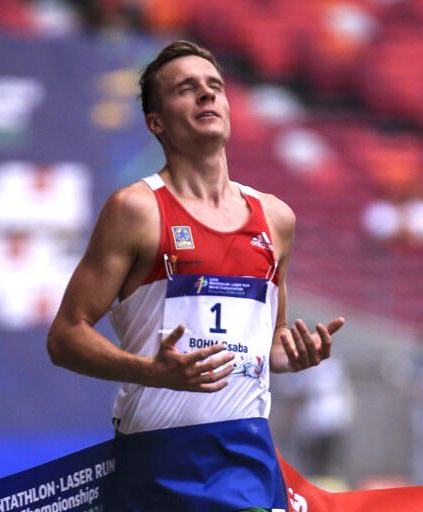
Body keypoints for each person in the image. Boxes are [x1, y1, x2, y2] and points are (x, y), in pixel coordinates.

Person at [46, 40, 345, 511]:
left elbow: (271, 341)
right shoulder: (136, 209)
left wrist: (290, 354)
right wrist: (150, 371)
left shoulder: (275, 218)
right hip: (156, 461)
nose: (207, 96)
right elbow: (65, 337)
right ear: (156, 122)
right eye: (187, 89)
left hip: (246, 457)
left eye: (215, 87)